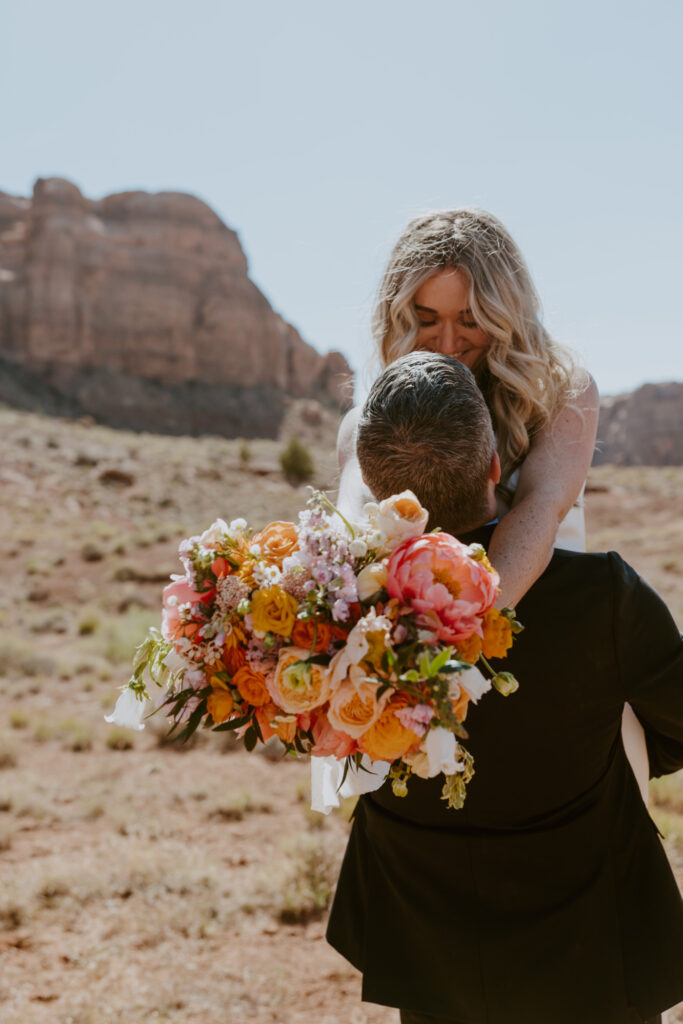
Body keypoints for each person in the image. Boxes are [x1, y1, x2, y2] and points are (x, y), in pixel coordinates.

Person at [326, 352, 683, 1024]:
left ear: (375, 495)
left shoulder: (342, 616)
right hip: (595, 951)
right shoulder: (600, 595)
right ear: (495, 466)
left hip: (429, 954)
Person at [334, 207, 648, 797]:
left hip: (551, 667)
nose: (449, 342)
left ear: (506, 317)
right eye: (425, 319)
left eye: (471, 321)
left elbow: (540, 508)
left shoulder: (562, 393)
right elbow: (354, 524)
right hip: (415, 684)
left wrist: (455, 653)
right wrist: (414, 682)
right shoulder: (367, 420)